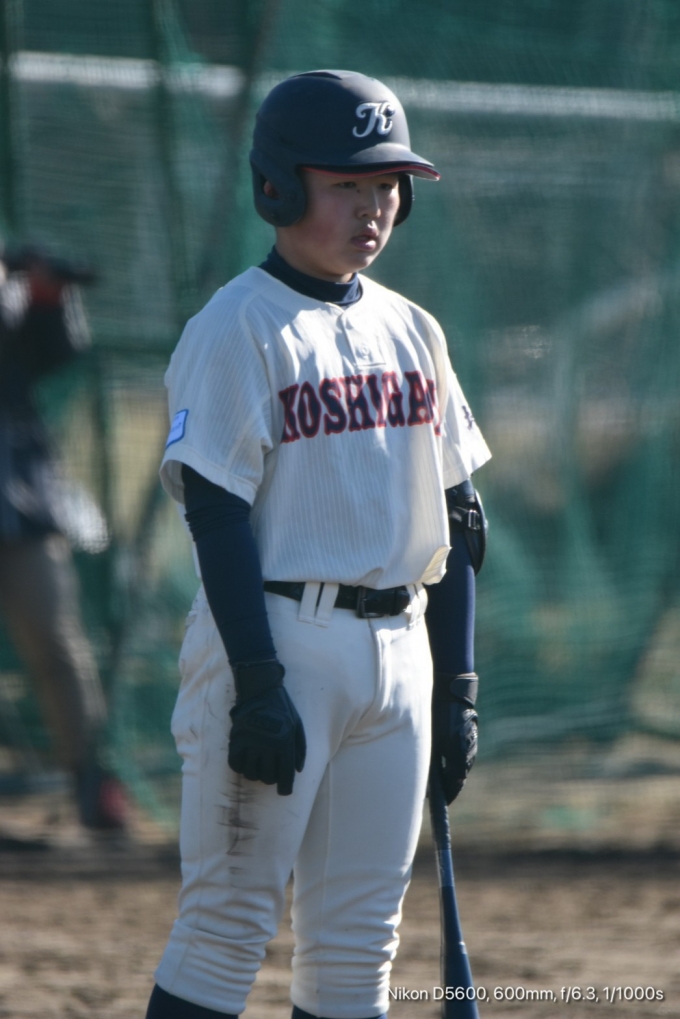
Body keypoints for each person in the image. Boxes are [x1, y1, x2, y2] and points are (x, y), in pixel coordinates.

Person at [147, 70, 490, 1019]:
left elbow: (459, 520)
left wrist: (457, 685)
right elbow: (215, 514)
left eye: (387, 185)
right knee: (225, 928)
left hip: (400, 652)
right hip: (279, 639)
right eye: (345, 183)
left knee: (357, 951)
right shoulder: (237, 326)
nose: (372, 207)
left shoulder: (413, 328)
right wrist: (257, 682)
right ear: (279, 186)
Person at [0, 245, 127, 833]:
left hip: (21, 498)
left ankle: (91, 783)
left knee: (57, 644)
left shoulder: (12, 291)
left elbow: (55, 354)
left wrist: (48, 297)